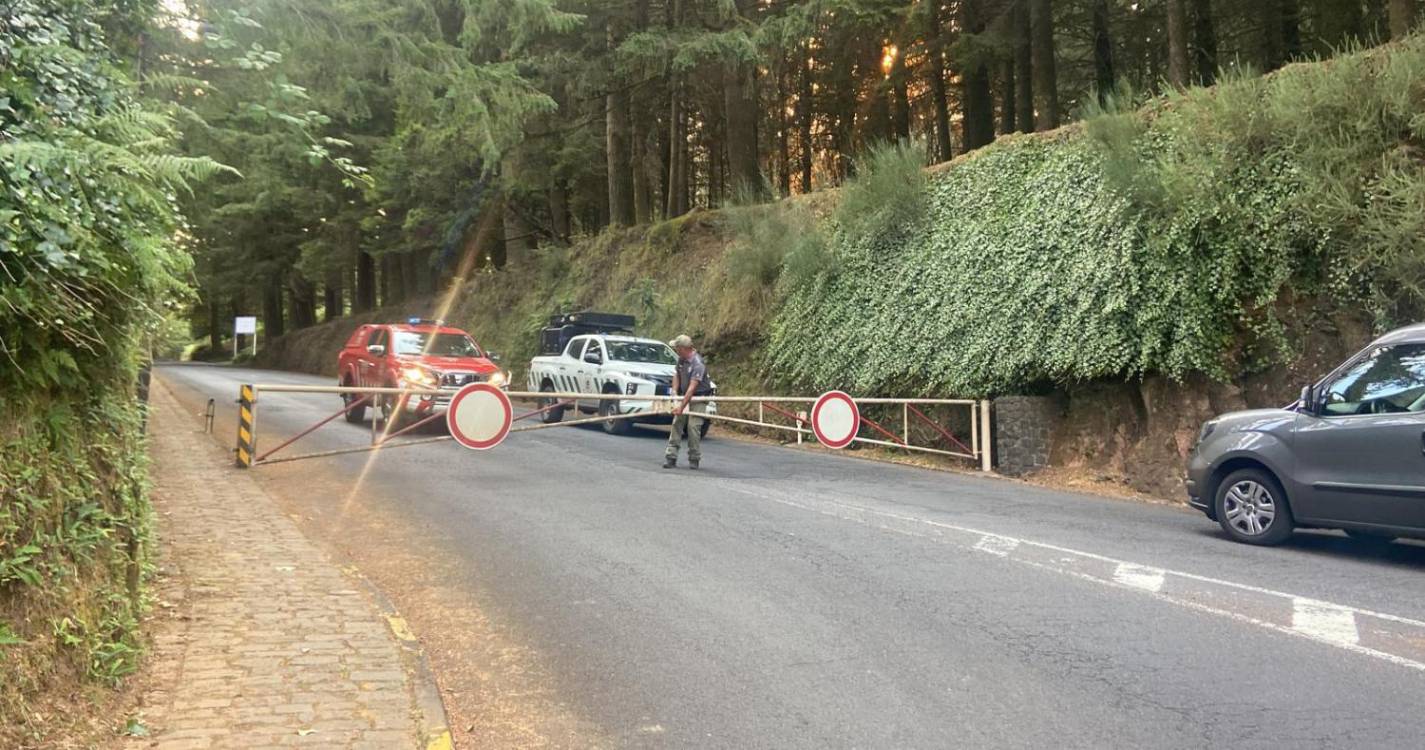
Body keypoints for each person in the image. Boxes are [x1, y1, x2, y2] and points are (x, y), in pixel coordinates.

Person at [664, 334, 710, 469]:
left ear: (683, 348)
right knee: (677, 423)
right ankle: (671, 456)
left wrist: (681, 407)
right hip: (684, 395)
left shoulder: (698, 363)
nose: (676, 350)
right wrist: (674, 391)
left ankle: (694, 458)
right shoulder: (681, 360)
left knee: (693, 427)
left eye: (677, 348)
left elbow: (692, 388)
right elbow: (676, 375)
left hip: (699, 398)